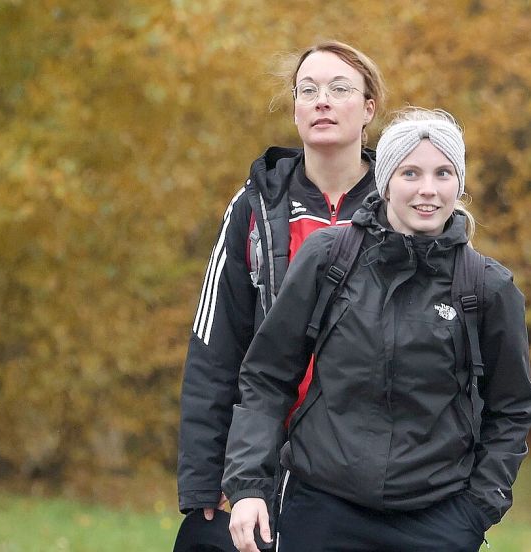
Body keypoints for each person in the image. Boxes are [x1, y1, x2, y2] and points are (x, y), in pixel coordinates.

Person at [223, 108, 531, 552]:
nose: (427, 189)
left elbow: (512, 410)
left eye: (443, 173)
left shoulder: (487, 287)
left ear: (459, 185)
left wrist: (477, 511)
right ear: (386, 181)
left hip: (438, 520)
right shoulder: (328, 258)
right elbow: (267, 376)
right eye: (410, 172)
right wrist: (249, 486)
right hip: (322, 513)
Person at [176, 40, 387, 529]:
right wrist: (208, 479)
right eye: (308, 89)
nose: (322, 101)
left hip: (374, 474)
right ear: (294, 108)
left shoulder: (401, 209)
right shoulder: (255, 207)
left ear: (368, 108)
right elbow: (215, 347)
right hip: (268, 465)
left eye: (340, 88)